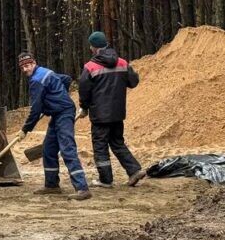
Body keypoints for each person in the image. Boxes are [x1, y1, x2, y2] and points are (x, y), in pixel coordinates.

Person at [18, 52, 91, 200]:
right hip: (57, 113)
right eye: (23, 67)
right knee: (48, 149)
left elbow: (36, 109)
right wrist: (56, 94)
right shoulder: (46, 72)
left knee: (67, 148)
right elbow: (66, 79)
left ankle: (82, 188)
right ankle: (52, 185)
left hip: (63, 113)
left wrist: (25, 129)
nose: (25, 69)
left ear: (34, 63)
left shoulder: (37, 80)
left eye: (27, 65)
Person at [78, 31, 146, 187]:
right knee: (117, 142)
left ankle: (106, 180)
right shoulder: (122, 62)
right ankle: (134, 170)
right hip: (117, 113)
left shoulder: (90, 67)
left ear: (93, 47)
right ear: (106, 44)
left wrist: (84, 107)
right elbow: (133, 82)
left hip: (100, 116)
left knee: (100, 146)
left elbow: (84, 90)